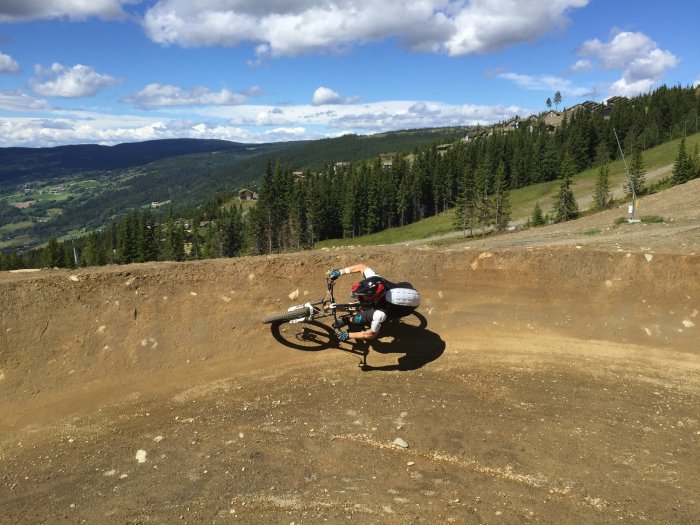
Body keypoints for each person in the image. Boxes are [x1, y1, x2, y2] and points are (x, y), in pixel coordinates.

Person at [327, 264, 420, 342]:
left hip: (405, 308)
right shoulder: (375, 279)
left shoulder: (380, 313)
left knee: (358, 319)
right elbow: (361, 267)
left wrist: (348, 335)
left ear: (375, 297)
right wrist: (339, 272)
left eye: (364, 296)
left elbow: (371, 334)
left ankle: (347, 320)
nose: (360, 297)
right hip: (407, 289)